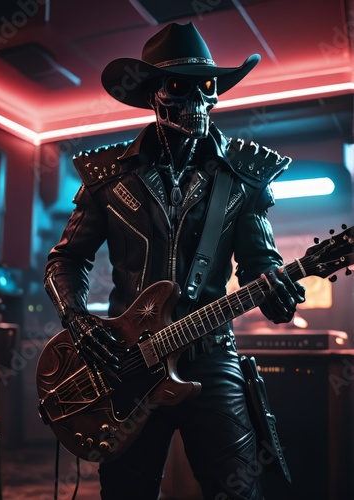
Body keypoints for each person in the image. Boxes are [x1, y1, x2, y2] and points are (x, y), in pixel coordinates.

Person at [44, 22, 305, 500]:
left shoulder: (243, 177)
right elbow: (66, 259)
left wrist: (276, 290)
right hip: (126, 362)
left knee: (239, 492)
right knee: (126, 492)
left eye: (207, 88)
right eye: (178, 88)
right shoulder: (106, 177)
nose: (197, 103)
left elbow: (259, 263)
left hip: (211, 358)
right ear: (152, 96)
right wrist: (78, 319)